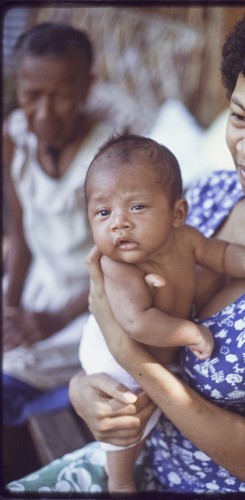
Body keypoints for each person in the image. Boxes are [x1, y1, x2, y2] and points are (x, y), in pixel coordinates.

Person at [5, 6, 245, 496]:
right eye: (240, 117)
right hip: (147, 461)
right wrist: (85, 393)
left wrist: (131, 355)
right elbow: (108, 312)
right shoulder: (204, 194)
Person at [79, 133, 245, 493]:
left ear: (177, 213)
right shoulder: (119, 267)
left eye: (137, 207)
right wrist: (189, 333)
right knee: (127, 420)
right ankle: (121, 478)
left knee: (147, 408)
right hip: (112, 354)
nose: (119, 223)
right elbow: (135, 323)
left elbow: (219, 254)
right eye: (103, 212)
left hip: (155, 351)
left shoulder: (187, 239)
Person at [2, 22, 112, 481]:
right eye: (31, 94)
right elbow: (22, 232)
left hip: (89, 303)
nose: (43, 111)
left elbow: (114, 259)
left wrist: (50, 321)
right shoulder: (13, 135)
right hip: (35, 283)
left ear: (87, 87)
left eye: (61, 95)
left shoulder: (108, 154)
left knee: (11, 377)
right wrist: (10, 307)